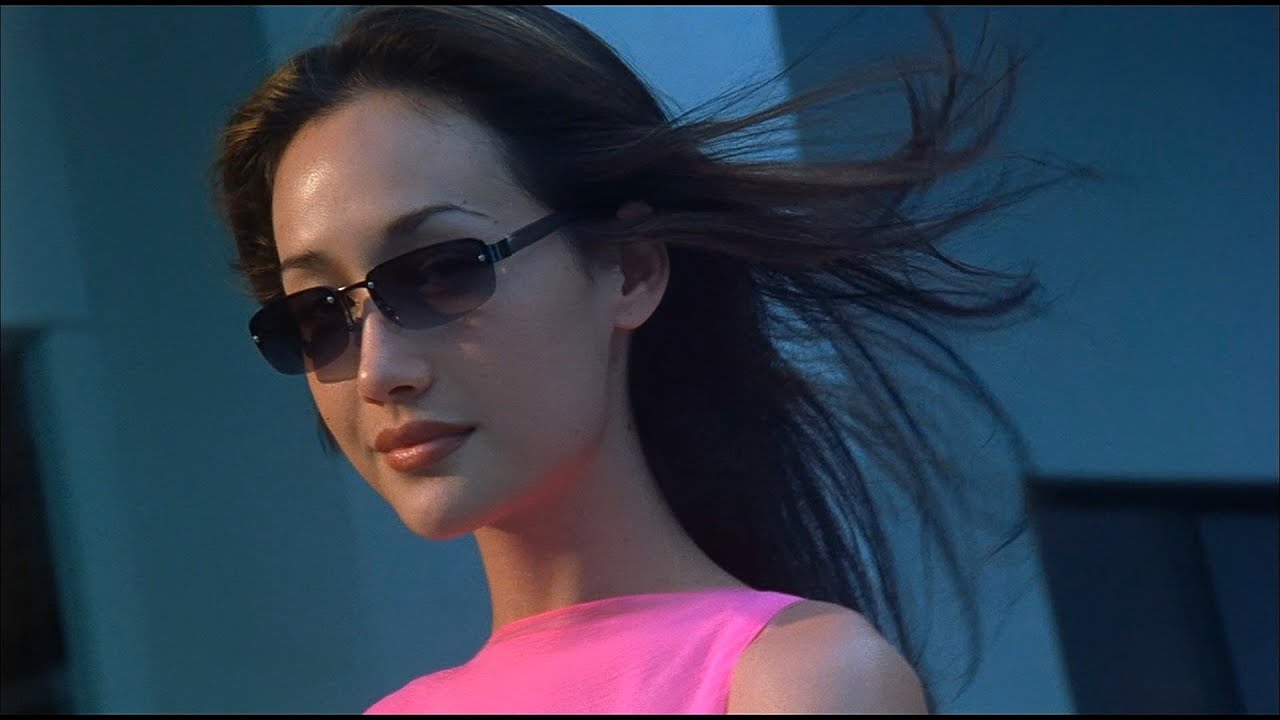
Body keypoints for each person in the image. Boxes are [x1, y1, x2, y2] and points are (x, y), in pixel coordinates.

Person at [213, 5, 1084, 713]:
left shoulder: (800, 682)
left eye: (441, 272)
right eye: (318, 315)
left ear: (629, 269)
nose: (379, 371)